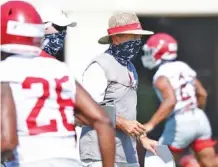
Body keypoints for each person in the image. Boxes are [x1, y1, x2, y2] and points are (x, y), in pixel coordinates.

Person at [0, 1, 115, 167]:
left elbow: (7, 141)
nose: (63, 33)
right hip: (68, 161)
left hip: (28, 160)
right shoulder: (59, 69)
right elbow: (103, 120)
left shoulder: (5, 70)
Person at [80, 12, 157, 167]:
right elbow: (86, 109)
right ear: (116, 38)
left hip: (127, 154)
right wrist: (122, 123)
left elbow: (125, 111)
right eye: (133, 36)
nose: (137, 41)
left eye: (138, 37)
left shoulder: (130, 67)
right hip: (99, 153)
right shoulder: (99, 66)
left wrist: (142, 137)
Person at [141, 32, 218, 167]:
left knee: (158, 159)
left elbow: (170, 101)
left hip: (180, 122)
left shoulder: (161, 76)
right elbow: (202, 93)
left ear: (159, 51)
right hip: (199, 118)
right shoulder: (183, 66)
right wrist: (195, 113)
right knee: (209, 163)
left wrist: (151, 124)